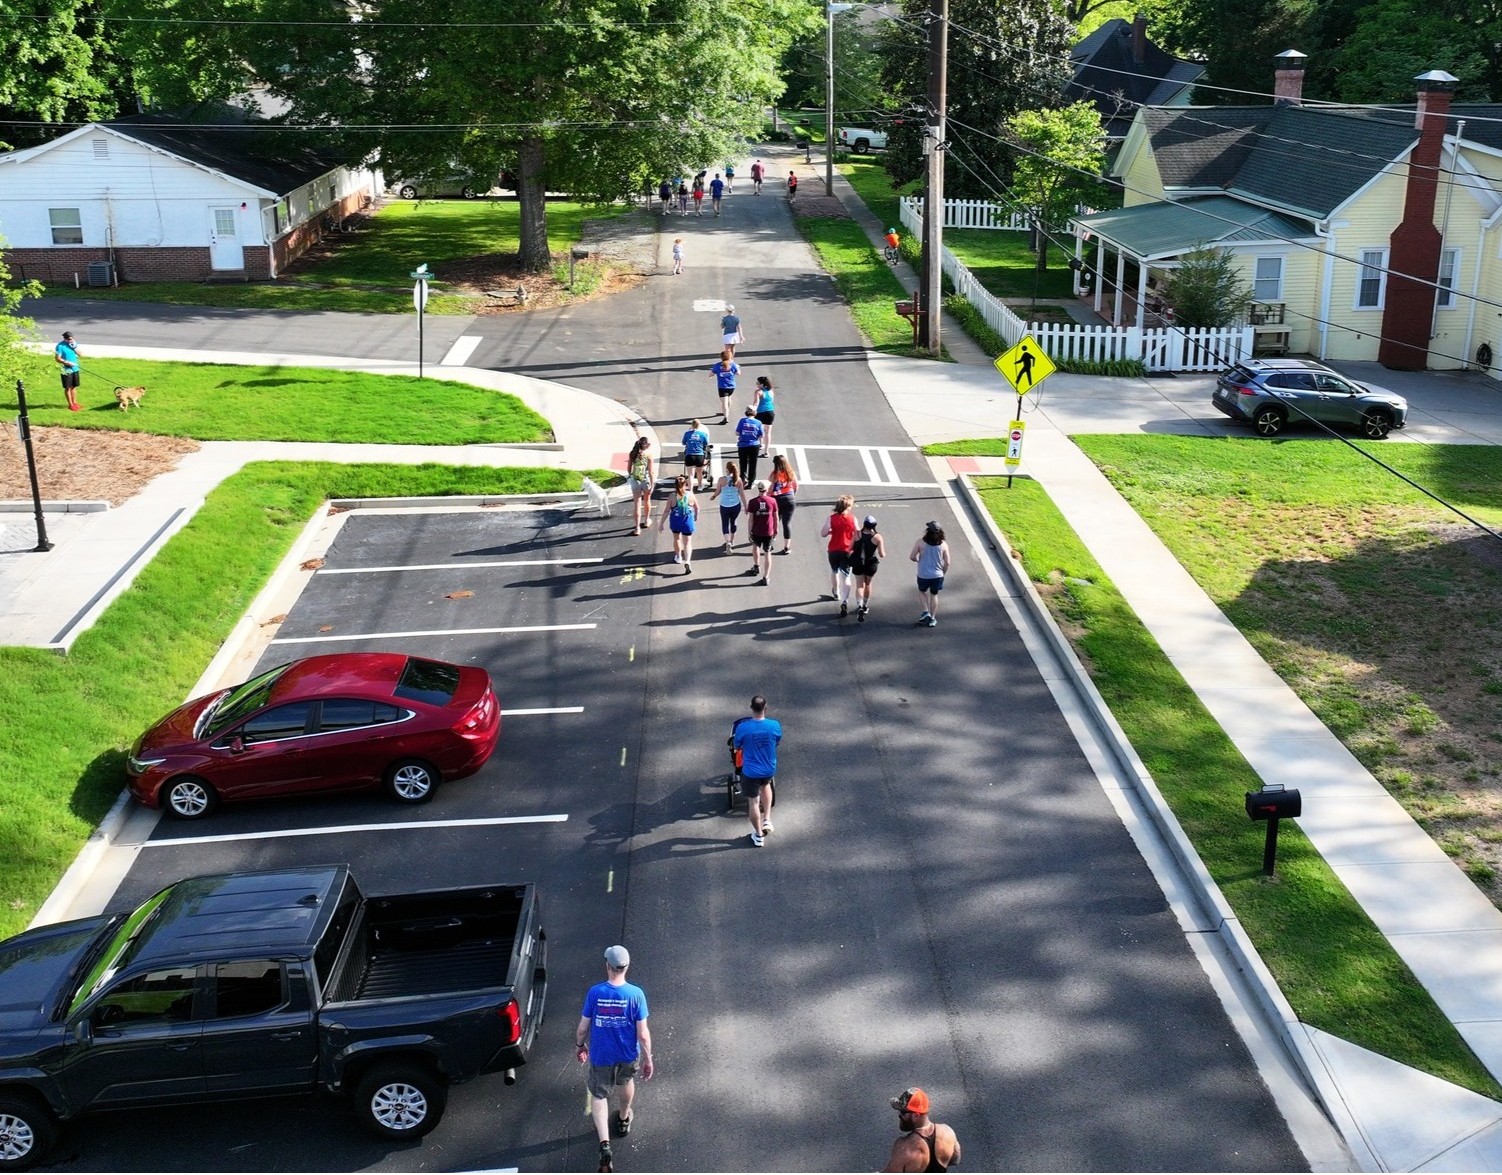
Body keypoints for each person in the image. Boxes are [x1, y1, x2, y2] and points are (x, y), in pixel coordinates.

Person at [576, 945, 653, 1174]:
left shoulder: (595, 992)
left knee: (599, 1094)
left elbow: (582, 1028)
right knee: (626, 1082)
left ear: (607, 966)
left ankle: (605, 1144)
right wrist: (649, 1058)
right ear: (626, 967)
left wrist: (580, 1046)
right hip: (627, 1055)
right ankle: (622, 1118)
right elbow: (643, 1034)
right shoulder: (636, 995)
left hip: (602, 1056)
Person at [732, 695, 782, 846]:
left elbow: (737, 745)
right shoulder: (774, 725)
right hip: (768, 768)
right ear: (765, 708)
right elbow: (777, 741)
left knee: (753, 802)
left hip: (751, 771)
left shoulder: (743, 728)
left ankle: (758, 835)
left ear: (751, 708)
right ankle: (767, 819)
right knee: (766, 785)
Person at [883, 1087, 961, 1172]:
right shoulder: (947, 1132)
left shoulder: (904, 1147)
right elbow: (955, 1160)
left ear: (915, 1116)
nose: (899, 1116)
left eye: (902, 1112)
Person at [821, 494, 858, 616]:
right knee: (846, 577)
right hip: (847, 551)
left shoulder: (831, 518)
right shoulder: (853, 519)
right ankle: (844, 601)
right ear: (848, 507)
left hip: (833, 550)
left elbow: (823, 533)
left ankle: (836, 592)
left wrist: (832, 530)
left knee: (834, 571)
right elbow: (858, 535)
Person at [909, 521, 952, 628]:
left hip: (923, 574)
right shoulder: (943, 545)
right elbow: (947, 563)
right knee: (934, 595)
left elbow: (912, 557)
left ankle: (925, 611)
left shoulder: (920, 542)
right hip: (937, 575)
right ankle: (932, 618)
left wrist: (918, 559)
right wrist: (943, 573)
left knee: (922, 591)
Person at [849, 515, 886, 622]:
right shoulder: (877, 537)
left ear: (864, 524)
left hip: (858, 563)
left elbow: (850, 547)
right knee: (868, 584)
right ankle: (865, 605)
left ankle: (859, 605)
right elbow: (882, 554)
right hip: (871, 564)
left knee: (859, 585)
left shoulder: (857, 534)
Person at [659, 475, 698, 573]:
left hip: (675, 520)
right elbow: (697, 508)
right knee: (688, 542)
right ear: (685, 484)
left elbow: (667, 510)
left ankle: (679, 556)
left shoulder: (672, 496)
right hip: (687, 521)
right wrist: (695, 517)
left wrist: (661, 523)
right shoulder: (690, 495)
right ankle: (688, 561)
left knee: (676, 538)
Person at [745, 481, 778, 585]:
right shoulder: (772, 501)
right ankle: (766, 576)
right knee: (767, 552)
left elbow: (750, 519)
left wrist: (749, 532)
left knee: (755, 547)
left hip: (756, 530)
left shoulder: (753, 502)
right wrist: (776, 529)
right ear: (766, 489)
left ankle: (756, 566)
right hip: (768, 531)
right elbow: (775, 517)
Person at [768, 454, 797, 555]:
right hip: (790, 499)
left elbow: (770, 487)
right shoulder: (791, 473)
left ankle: (770, 541)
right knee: (787, 523)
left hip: (777, 500)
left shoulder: (774, 475)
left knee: (775, 521)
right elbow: (796, 486)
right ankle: (787, 547)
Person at [626, 437, 654, 536]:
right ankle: (647, 520)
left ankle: (637, 527)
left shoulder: (632, 454)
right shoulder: (648, 455)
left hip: (635, 480)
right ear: (645, 444)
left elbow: (629, 468)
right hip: (645, 480)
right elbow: (651, 472)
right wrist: (652, 484)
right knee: (647, 500)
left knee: (637, 504)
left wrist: (631, 475)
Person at [716, 461, 746, 551]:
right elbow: (742, 494)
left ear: (727, 469)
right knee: (734, 522)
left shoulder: (721, 479)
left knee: (725, 524)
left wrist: (713, 496)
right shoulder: (738, 480)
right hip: (735, 505)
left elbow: (718, 491)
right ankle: (732, 540)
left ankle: (727, 541)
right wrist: (746, 506)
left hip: (724, 505)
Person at [734, 407, 764, 485]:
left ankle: (743, 479)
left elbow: (737, 433)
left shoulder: (742, 421)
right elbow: (761, 435)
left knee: (743, 463)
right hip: (754, 445)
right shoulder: (758, 422)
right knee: (753, 464)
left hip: (743, 445)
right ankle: (751, 482)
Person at [54, 331, 82, 412]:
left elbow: (80, 354)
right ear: (65, 338)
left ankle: (75, 403)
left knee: (74, 386)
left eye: (72, 339)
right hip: (66, 370)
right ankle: (70, 404)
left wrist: (75, 348)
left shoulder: (73, 344)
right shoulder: (60, 346)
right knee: (68, 387)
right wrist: (67, 362)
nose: (70, 340)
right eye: (69, 339)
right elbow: (57, 358)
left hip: (75, 368)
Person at [681, 418, 710, 491]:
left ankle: (690, 490)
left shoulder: (687, 434)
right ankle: (700, 486)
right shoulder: (703, 434)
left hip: (689, 455)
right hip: (699, 455)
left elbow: (683, 443)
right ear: (699, 426)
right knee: (699, 472)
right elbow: (706, 443)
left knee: (690, 474)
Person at [711, 351, 740, 424]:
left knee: (724, 402)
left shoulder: (717, 365)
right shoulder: (733, 365)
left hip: (722, 387)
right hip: (731, 386)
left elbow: (711, 374)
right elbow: (738, 373)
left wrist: (712, 375)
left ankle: (725, 417)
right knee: (729, 398)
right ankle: (726, 411)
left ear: (721, 357)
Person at [751, 375, 776, 456]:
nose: (756, 384)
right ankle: (766, 451)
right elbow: (771, 401)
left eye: (758, 383)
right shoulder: (770, 391)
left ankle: (759, 444)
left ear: (762, 385)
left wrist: (752, 409)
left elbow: (756, 403)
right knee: (768, 432)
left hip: (760, 413)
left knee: (758, 429)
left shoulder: (758, 392)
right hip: (770, 412)